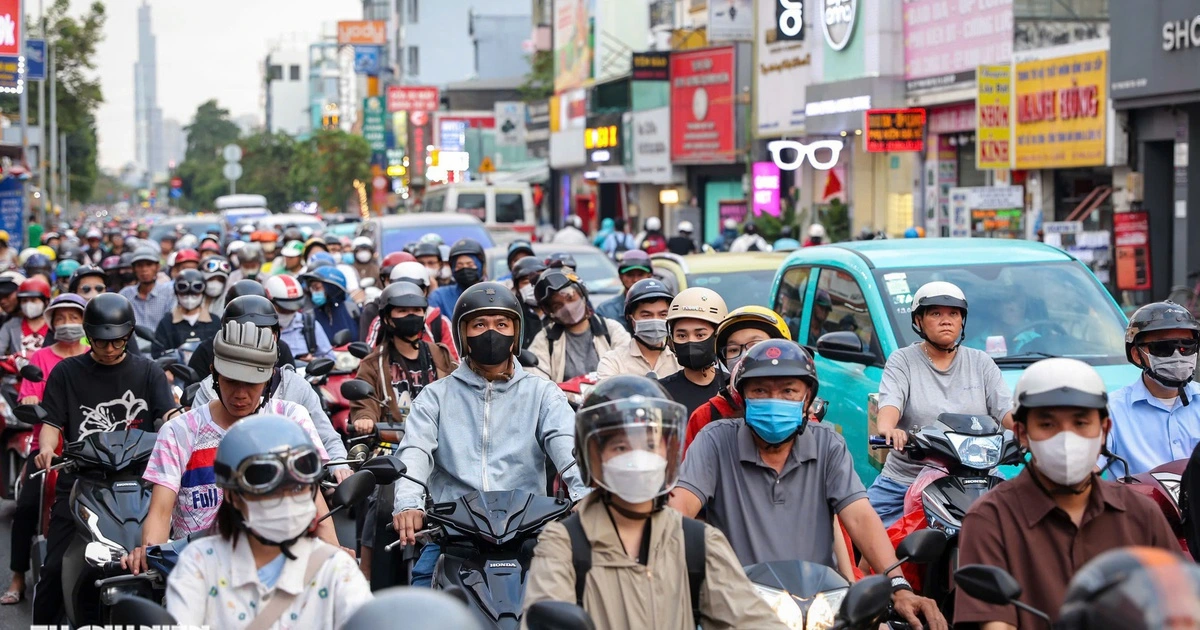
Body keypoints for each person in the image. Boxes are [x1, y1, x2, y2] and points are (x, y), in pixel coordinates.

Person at [670, 339, 946, 630]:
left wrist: (899, 586)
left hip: (822, 609)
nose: (774, 400)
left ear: (806, 400)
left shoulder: (827, 443)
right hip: (736, 608)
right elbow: (681, 508)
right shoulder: (715, 440)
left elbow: (860, 516)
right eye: (760, 391)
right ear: (743, 398)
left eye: (788, 391)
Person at [522, 375, 786, 629]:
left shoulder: (698, 543)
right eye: (620, 448)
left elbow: (750, 618)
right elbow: (547, 609)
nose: (638, 459)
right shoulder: (562, 545)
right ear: (593, 457)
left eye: (649, 445)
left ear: (668, 454)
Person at [954, 358, 1179, 630]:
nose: (1066, 438)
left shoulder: (1140, 513)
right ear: (1023, 433)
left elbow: (1177, 605)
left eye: (1081, 423)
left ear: (1104, 430)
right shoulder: (990, 519)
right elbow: (994, 623)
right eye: (1048, 425)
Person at [391, 281, 586, 587]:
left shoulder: (542, 392)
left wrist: (585, 494)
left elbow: (569, 447)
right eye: (479, 324)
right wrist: (408, 504)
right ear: (463, 334)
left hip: (529, 533)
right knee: (421, 599)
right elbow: (414, 452)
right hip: (453, 536)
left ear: (515, 333)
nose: (491, 332)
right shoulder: (435, 396)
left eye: (501, 323)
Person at [130, 320, 338, 577]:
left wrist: (334, 561)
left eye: (250, 384)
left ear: (269, 378)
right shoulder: (179, 431)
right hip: (200, 572)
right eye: (231, 381)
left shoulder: (291, 419)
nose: (240, 394)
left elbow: (313, 499)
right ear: (214, 375)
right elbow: (161, 513)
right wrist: (152, 557)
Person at [32, 293, 177, 624]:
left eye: (117, 342)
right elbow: (52, 424)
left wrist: (178, 425)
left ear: (128, 336)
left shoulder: (149, 371)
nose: (109, 349)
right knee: (53, 568)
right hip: (82, 482)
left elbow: (168, 415)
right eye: (101, 342)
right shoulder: (67, 372)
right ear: (89, 336)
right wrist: (46, 449)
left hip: (143, 482)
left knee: (172, 558)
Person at [164, 414, 372, 627]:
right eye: (270, 491)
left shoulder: (336, 571)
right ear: (233, 496)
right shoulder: (200, 566)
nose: (287, 501)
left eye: (298, 488)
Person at [869, 281, 1013, 527]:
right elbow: (890, 404)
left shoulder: (981, 362)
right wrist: (889, 429)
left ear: (961, 321)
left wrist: (1030, 431)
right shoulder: (902, 360)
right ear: (918, 321)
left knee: (1023, 523)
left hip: (977, 477)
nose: (946, 320)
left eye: (953, 314)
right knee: (861, 528)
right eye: (936, 313)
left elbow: (1006, 412)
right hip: (908, 478)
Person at [1, 294, 88, 605]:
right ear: (52, 323)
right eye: (61, 318)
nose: (67, 324)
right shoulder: (40, 359)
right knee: (25, 508)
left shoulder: (93, 356)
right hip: (45, 449)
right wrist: (29, 400)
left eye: (73, 317)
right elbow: (30, 395)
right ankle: (17, 577)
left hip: (88, 449)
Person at [352, 280, 456, 435]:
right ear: (387, 318)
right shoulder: (373, 364)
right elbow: (365, 403)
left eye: (416, 310)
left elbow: (461, 391)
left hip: (440, 441)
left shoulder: (441, 355)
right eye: (402, 311)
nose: (411, 315)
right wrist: (365, 418)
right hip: (393, 446)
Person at [1107, 301, 1200, 475]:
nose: (1177, 356)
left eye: (1186, 347)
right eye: (1163, 348)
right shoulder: (1112, 411)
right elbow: (1083, 473)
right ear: (1137, 355)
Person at [684, 306, 793, 449]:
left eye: (756, 345)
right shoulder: (706, 416)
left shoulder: (798, 410)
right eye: (734, 349)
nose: (744, 355)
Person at [527, 269, 630, 382]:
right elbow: (537, 382)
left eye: (570, 297)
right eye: (557, 305)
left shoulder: (611, 330)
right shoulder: (544, 340)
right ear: (550, 312)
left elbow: (629, 371)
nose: (567, 308)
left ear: (582, 293)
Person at [188, 281, 297, 382]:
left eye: (260, 327)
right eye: (242, 326)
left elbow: (290, 388)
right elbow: (197, 393)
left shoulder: (280, 349)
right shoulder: (207, 350)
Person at [658, 288, 728, 416]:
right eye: (682, 336)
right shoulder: (660, 393)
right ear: (671, 340)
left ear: (718, 337)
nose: (691, 342)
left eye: (700, 335)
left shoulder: (733, 388)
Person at [597, 279, 679, 380]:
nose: (655, 320)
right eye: (646, 315)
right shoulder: (613, 362)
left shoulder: (679, 360)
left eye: (663, 315)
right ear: (631, 319)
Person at [152, 268, 220, 357]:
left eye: (195, 294)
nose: (189, 298)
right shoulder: (166, 323)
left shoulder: (214, 322)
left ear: (203, 293)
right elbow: (157, 354)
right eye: (184, 294)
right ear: (176, 293)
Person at [264, 274, 333, 362]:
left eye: (293, 309)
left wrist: (313, 361)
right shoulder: (259, 328)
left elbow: (331, 360)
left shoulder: (309, 325)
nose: (289, 312)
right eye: (284, 309)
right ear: (269, 303)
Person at [119, 246, 176, 331]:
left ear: (157, 267)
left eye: (149, 265)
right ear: (134, 269)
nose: (144, 270)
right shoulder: (125, 295)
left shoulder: (169, 293)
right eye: (139, 265)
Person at [428, 238, 487, 316]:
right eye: (459, 265)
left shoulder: (493, 293)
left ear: (480, 266)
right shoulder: (440, 296)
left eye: (470, 264)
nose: (465, 269)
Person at [595, 251, 654, 327]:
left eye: (640, 275)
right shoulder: (605, 311)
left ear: (649, 276)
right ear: (620, 276)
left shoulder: (664, 307)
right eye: (630, 275)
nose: (635, 279)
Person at [300, 266, 358, 343]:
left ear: (331, 288)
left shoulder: (352, 310)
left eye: (317, 288)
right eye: (311, 289)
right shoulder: (309, 316)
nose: (314, 293)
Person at [0, 277, 49, 357]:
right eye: (25, 300)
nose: (28, 305)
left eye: (33, 300)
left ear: (46, 302)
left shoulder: (53, 325)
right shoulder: (10, 325)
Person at [510, 256, 547, 349]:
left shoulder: (558, 311)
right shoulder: (513, 316)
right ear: (517, 289)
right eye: (526, 281)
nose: (532, 286)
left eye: (538, 279)